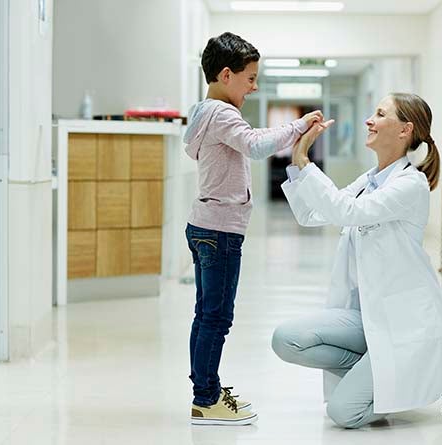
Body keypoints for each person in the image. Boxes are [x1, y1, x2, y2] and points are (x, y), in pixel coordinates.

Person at [272, 93, 442, 429]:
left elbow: (348, 212)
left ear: (405, 130)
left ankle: (434, 376)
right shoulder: (369, 180)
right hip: (368, 317)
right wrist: (296, 159)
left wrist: (306, 161)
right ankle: (382, 370)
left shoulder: (411, 185)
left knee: (345, 413)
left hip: (405, 324)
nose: (369, 120)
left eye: (379, 113)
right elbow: (312, 213)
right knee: (286, 339)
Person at [184, 32, 323, 426]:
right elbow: (257, 146)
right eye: (250, 78)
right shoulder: (223, 114)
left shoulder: (204, 112)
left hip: (204, 225)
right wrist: (298, 127)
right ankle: (205, 399)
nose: (254, 86)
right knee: (216, 317)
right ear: (226, 75)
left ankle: (204, 389)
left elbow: (251, 140)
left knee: (205, 314)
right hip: (221, 230)